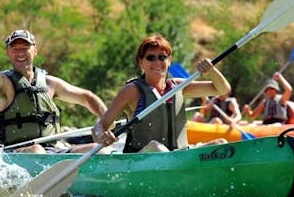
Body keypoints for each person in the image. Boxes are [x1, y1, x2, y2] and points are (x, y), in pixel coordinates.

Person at [0, 6, 108, 153]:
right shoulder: (3, 84)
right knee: (36, 150)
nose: (20, 53)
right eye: (15, 49)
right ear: (8, 53)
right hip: (15, 153)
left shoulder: (50, 83)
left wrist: (106, 119)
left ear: (35, 50)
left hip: (51, 153)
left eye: (25, 48)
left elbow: (86, 97)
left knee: (98, 150)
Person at [91, 34, 231, 153]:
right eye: (151, 58)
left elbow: (222, 89)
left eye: (162, 57)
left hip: (180, 156)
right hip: (141, 158)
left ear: (169, 61)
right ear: (141, 62)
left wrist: (212, 71)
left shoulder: (178, 86)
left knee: (221, 144)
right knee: (156, 147)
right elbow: (100, 126)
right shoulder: (132, 90)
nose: (157, 62)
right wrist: (102, 136)